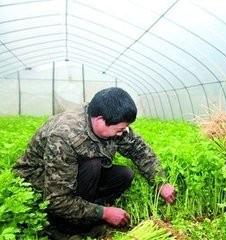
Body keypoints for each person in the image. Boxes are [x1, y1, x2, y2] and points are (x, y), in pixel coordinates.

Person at [13, 87, 176, 238]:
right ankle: (65, 228)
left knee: (124, 175)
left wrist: (160, 182)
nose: (122, 133)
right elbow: (57, 198)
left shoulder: (109, 120)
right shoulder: (64, 136)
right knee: (92, 166)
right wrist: (103, 213)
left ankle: (87, 212)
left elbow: (138, 149)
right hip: (42, 182)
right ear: (100, 120)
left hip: (75, 174)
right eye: (119, 129)